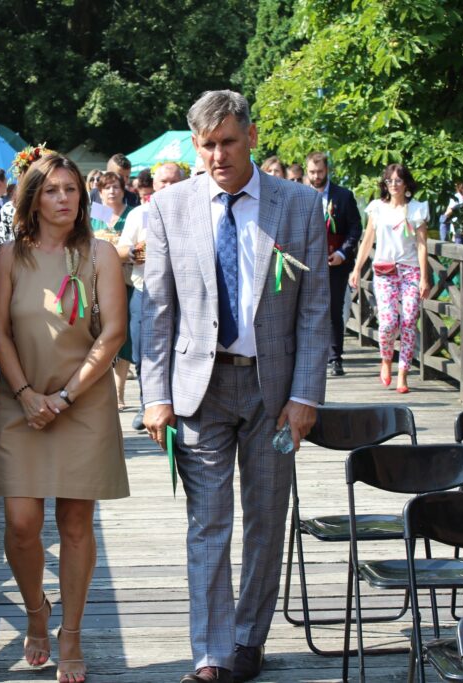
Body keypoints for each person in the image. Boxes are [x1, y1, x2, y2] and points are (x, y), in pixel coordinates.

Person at [142, 90, 330, 683]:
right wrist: (155, 396)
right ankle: (212, 655)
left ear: (250, 136)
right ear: (195, 148)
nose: (218, 155)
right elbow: (157, 311)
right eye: (207, 145)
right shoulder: (169, 207)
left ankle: (249, 640)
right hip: (200, 387)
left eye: (227, 141)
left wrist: (306, 395)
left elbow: (314, 307)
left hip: (274, 390)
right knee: (208, 524)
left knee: (267, 519)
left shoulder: (299, 205)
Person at [0, 153, 128, 683]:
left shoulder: (101, 253)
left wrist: (65, 397)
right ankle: (35, 611)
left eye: (71, 189)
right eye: (52, 190)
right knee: (22, 524)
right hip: (20, 401)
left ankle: (70, 633)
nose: (64, 198)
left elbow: (112, 334)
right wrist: (26, 394)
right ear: (32, 199)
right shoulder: (8, 257)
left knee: (74, 523)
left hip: (83, 403)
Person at [348, 163, 430, 394]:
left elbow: (422, 245)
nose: (393, 184)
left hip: (410, 270)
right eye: (389, 180)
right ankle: (386, 358)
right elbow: (367, 240)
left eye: (398, 180)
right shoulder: (377, 208)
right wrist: (357, 269)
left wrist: (424, 277)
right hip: (384, 271)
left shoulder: (417, 209)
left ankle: (403, 373)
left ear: (406, 183)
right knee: (387, 323)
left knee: (409, 320)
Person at [117, 161, 185, 431]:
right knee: (142, 351)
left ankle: (179, 404)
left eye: (173, 182)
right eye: (163, 182)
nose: (168, 187)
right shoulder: (139, 214)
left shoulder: (195, 212)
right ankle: (147, 402)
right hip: (145, 290)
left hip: (184, 294)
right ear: (153, 185)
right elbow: (121, 249)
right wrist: (134, 252)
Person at [305, 152, 362, 376]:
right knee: (306, 309)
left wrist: (342, 252)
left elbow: (355, 228)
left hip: (335, 262)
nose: (316, 176)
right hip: (306, 262)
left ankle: (335, 358)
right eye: (312, 172)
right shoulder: (299, 194)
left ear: (327, 170)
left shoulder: (343, 196)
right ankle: (310, 355)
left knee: (334, 310)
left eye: (320, 172)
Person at [90, 171, 134, 409]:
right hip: (97, 280)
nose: (112, 191)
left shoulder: (132, 214)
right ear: (99, 191)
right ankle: (101, 387)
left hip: (126, 280)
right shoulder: (97, 213)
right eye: (106, 187)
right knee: (98, 331)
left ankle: (119, 391)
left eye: (116, 187)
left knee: (123, 334)